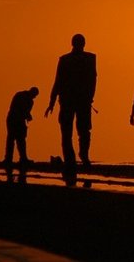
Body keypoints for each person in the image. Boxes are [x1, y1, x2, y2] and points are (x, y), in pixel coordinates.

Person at [45, 34, 97, 185]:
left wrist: (89, 97)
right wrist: (52, 102)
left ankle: (79, 157)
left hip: (79, 101)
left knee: (81, 131)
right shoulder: (69, 59)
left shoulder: (88, 59)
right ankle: (73, 159)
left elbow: (93, 79)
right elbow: (59, 81)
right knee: (72, 132)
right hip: (71, 101)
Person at [5, 87, 39, 181]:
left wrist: (27, 116)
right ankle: (9, 159)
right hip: (13, 119)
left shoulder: (29, 101)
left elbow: (26, 112)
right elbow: (17, 109)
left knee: (20, 141)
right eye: (34, 95)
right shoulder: (20, 96)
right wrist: (27, 115)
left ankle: (22, 158)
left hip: (19, 121)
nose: (34, 97)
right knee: (12, 139)